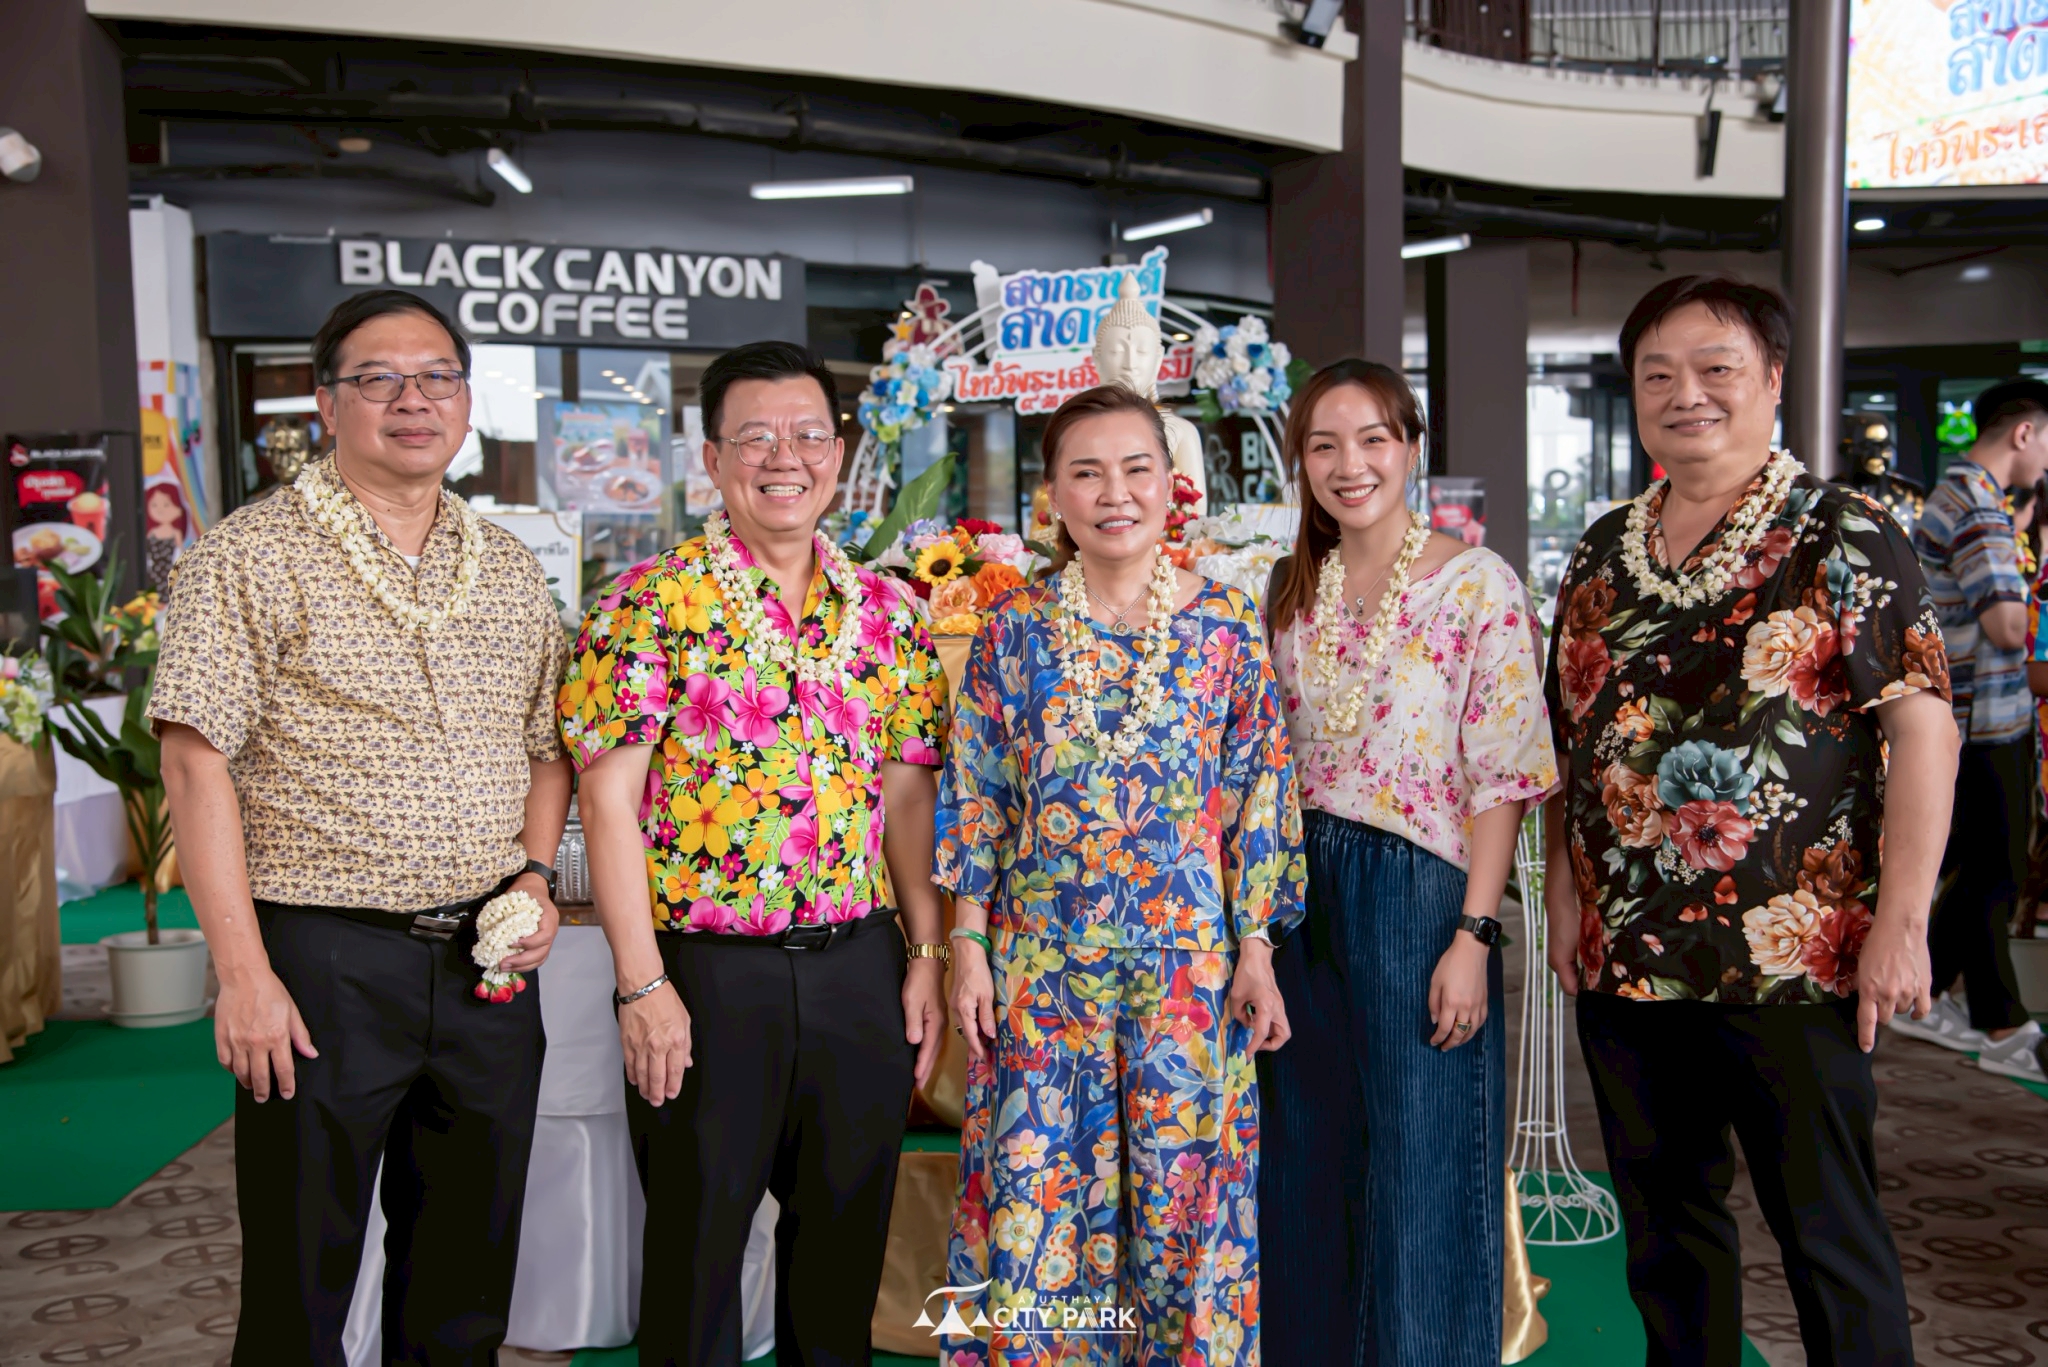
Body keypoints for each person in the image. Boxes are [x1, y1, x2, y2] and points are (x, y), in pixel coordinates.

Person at [1544, 274, 1956, 1367]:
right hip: (1630, 959)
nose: (1686, 393)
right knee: (1666, 1236)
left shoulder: (1844, 532)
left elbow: (1924, 730)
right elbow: (1571, 740)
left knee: (1827, 1236)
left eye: (1715, 367)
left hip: (1794, 957)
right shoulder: (1602, 550)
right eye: (1657, 374)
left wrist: (1903, 920)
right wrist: (1564, 892)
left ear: (1772, 379)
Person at [152, 289, 571, 1364]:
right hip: (321, 961)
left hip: (485, 966)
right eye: (379, 378)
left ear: (466, 402)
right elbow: (194, 763)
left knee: (466, 1277)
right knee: (302, 1277)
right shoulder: (248, 555)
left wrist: (533, 877)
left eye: (437, 377)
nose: (412, 400)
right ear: (327, 403)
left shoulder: (508, 564)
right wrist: (242, 973)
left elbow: (546, 744)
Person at [560, 340, 950, 1367]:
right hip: (705, 979)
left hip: (858, 970)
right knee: (694, 1269)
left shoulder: (890, 615)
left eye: (808, 435)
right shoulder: (646, 602)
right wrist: (641, 982)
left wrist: (923, 952)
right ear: (711, 457)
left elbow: (909, 796)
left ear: (839, 453)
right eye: (756, 437)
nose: (786, 458)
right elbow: (607, 801)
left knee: (840, 1270)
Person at [936, 384, 1304, 1367]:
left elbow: (1259, 792)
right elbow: (977, 794)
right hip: (1040, 973)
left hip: (1188, 972)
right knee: (1037, 1201)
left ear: (1170, 483)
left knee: (1185, 1212)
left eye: (1135, 468)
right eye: (1085, 472)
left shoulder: (1224, 624)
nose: (1113, 492)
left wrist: (1257, 945)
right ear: (1051, 494)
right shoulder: (1011, 629)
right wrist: (966, 945)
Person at [1256, 359, 1557, 1367]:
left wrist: (1473, 932)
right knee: (1304, 1160)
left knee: (1424, 1166)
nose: (1350, 464)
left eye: (1373, 439)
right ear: (1301, 462)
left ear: (1411, 447)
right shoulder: (1289, 588)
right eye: (1324, 445)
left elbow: (1502, 773)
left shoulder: (1476, 584)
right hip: (1297, 890)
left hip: (1419, 888)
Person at [1894, 379, 2048, 1082]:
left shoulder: (1968, 498)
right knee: (1995, 867)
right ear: (2024, 433)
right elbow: (2007, 625)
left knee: (1982, 865)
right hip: (1983, 718)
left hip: (1976, 714)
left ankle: (1927, 995)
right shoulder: (1978, 506)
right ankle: (1998, 1018)